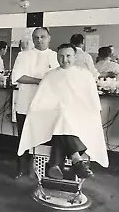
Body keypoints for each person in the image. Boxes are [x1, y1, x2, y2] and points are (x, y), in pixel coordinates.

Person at [17, 44, 109, 179]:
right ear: (56, 57)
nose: (64, 59)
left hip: (78, 120)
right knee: (62, 117)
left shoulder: (85, 75)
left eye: (68, 56)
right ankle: (76, 158)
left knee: (64, 119)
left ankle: (55, 164)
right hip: (52, 118)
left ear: (75, 57)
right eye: (60, 56)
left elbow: (92, 102)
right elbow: (40, 101)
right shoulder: (50, 76)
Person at [11, 27, 60, 179]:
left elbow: (59, 79)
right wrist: (42, 80)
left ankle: (45, 170)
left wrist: (35, 80)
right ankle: (21, 168)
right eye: (36, 37)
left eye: (42, 37)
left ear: (49, 38)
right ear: (32, 39)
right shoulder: (24, 55)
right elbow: (17, 77)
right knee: (23, 137)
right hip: (25, 102)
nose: (39, 40)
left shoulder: (55, 56)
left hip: (47, 105)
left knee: (47, 137)